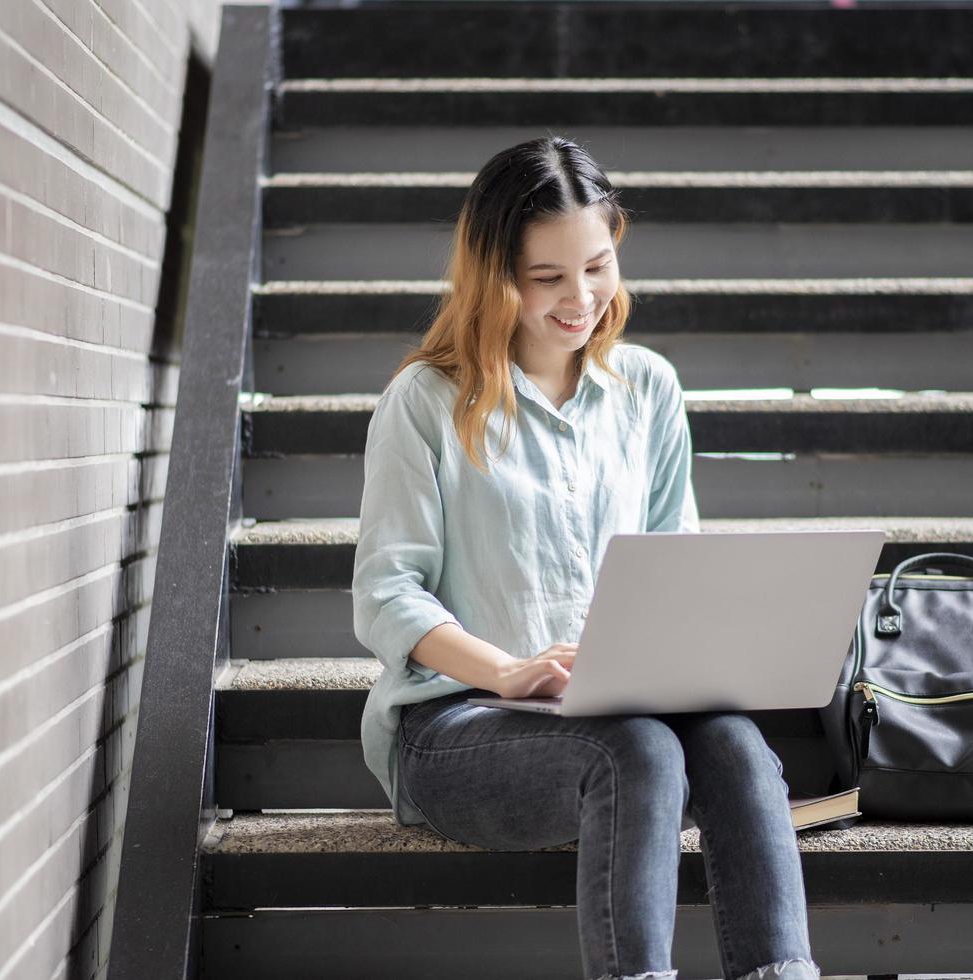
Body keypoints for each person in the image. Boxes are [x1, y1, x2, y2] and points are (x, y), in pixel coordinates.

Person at [351, 136, 820, 980]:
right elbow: (387, 593)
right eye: (548, 278)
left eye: (598, 267)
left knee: (737, 746)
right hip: (459, 726)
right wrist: (505, 671)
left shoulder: (647, 390)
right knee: (635, 750)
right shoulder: (424, 403)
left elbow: (677, 568)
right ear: (495, 275)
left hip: (617, 707)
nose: (582, 299)